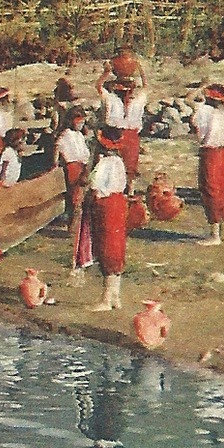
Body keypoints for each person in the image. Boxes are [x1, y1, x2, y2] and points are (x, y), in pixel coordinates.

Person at [88, 127, 129, 312]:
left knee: (106, 247)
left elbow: (95, 186)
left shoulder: (104, 163)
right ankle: (115, 295)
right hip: (119, 203)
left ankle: (106, 298)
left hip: (106, 205)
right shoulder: (119, 162)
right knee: (116, 247)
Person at [193, 83, 224, 245]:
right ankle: (223, 229)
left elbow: (191, 101)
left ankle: (215, 234)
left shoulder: (205, 112)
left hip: (210, 154)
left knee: (210, 190)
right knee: (222, 190)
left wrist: (202, 87)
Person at [95, 63, 147, 191]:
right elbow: (99, 86)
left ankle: (129, 192)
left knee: (130, 168)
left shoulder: (138, 99)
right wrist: (106, 73)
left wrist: (140, 69)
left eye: (128, 87)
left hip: (131, 136)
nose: (125, 90)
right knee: (110, 167)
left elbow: (146, 87)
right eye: (122, 86)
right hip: (113, 134)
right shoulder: (112, 99)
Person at [54, 107, 92, 271]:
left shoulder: (79, 135)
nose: (80, 124)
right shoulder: (65, 135)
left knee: (82, 196)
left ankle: (74, 226)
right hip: (72, 166)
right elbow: (58, 147)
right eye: (78, 121)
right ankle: (72, 227)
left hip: (82, 165)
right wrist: (55, 163)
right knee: (75, 196)